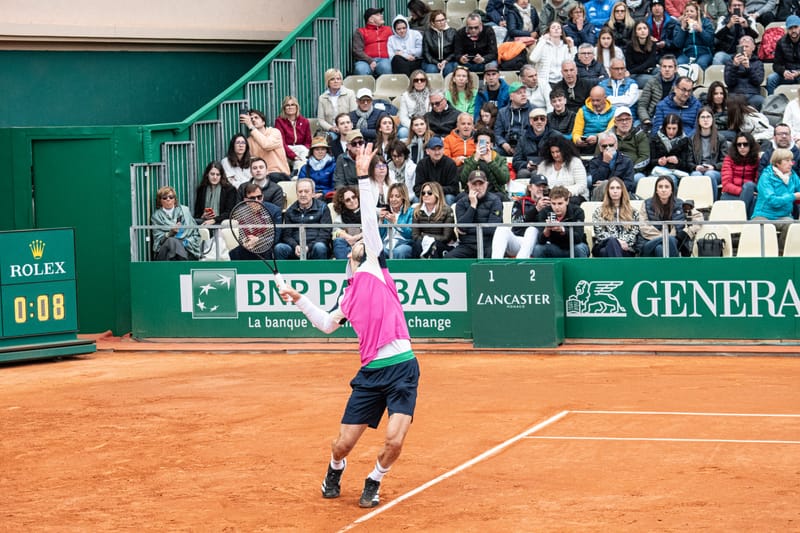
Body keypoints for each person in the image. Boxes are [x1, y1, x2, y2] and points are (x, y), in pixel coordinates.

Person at [279, 141, 420, 510]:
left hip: (403, 367)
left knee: (394, 441)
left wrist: (363, 176)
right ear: (350, 261)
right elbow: (326, 324)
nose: (360, 244)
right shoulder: (347, 298)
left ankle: (374, 480)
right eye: (356, 246)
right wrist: (298, 299)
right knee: (342, 443)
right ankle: (334, 469)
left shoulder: (376, 266)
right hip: (370, 374)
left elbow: (370, 221)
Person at [445, 170, 503, 258]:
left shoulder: (495, 200)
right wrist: (473, 206)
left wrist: (468, 229)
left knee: (492, 255)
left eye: (481, 184)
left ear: (486, 184)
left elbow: (492, 228)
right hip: (467, 244)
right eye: (474, 184)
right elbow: (462, 227)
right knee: (449, 258)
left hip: (488, 243)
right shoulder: (461, 202)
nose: (477, 187)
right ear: (468, 185)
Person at [491, 171, 550, 258]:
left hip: (540, 242)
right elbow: (517, 224)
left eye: (544, 186)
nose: (541, 189)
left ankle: (520, 263)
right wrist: (536, 209)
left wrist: (546, 208)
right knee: (502, 228)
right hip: (520, 241)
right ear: (530, 187)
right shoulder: (520, 202)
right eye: (538, 186)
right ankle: (495, 264)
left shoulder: (551, 204)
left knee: (532, 230)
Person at [752, 148, 800, 252]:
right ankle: (766, 254)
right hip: (763, 215)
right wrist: (793, 196)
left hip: (784, 216)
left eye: (791, 160)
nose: (791, 164)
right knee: (762, 226)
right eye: (787, 161)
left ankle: (783, 254)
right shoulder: (766, 177)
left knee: (792, 225)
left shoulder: (793, 176)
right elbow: (773, 201)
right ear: (777, 163)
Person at [275, 178, 332, 260]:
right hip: (296, 249)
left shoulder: (323, 208)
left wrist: (308, 247)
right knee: (280, 248)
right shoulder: (290, 211)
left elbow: (325, 234)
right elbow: (286, 235)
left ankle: (321, 272)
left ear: (313, 193)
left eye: (306, 191)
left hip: (314, 247)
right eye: (300, 191)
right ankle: (281, 273)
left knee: (320, 247)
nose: (303, 194)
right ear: (296, 194)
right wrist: (296, 246)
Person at [228, 183, 284, 261]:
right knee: (233, 253)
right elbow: (241, 235)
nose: (257, 201)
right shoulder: (240, 212)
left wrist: (258, 240)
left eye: (259, 197)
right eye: (252, 198)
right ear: (246, 200)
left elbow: (276, 237)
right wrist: (245, 241)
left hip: (267, 246)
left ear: (263, 197)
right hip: (249, 246)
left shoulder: (275, 211)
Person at [533, 185, 589, 257]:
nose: (556, 207)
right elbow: (540, 241)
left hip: (574, 246)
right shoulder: (544, 212)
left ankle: (582, 268)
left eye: (560, 203)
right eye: (553, 203)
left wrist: (563, 230)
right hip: (554, 247)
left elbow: (578, 238)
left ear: (567, 201)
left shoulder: (577, 211)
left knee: (579, 248)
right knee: (538, 249)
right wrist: (546, 231)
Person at [637, 175, 686, 257]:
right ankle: (676, 268)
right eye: (660, 187)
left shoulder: (680, 203)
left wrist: (689, 231)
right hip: (648, 242)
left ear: (672, 190)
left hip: (672, 242)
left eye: (667, 187)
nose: (663, 190)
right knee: (668, 240)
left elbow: (698, 218)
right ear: (656, 190)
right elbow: (643, 226)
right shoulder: (646, 203)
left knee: (660, 248)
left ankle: (663, 269)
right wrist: (664, 237)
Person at [591, 176, 640, 257]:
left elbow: (634, 234)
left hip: (626, 248)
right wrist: (617, 241)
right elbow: (599, 234)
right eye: (612, 188)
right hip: (603, 245)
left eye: (618, 188)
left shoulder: (633, 212)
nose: (615, 191)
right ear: (608, 191)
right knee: (611, 242)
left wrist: (621, 243)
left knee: (606, 252)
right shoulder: (599, 211)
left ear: (622, 191)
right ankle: (619, 269)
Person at [151, 186, 201, 261]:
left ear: (175, 199)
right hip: (165, 250)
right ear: (160, 200)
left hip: (187, 248)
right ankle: (182, 265)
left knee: (173, 249)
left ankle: (176, 266)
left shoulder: (185, 211)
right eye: (164, 198)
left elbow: (196, 234)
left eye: (171, 197)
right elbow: (158, 241)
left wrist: (185, 243)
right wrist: (170, 233)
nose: (168, 199)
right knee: (172, 241)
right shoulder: (156, 216)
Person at [689, 107, 727, 200]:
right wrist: (695, 167)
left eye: (708, 117)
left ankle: (711, 204)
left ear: (712, 120)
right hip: (698, 169)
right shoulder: (692, 139)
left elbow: (725, 161)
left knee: (709, 175)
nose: (705, 120)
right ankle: (696, 205)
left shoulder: (720, 139)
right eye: (702, 117)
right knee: (695, 175)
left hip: (715, 171)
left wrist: (713, 167)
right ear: (698, 120)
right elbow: (688, 161)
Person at [607, 105, 650, 186]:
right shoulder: (607, 136)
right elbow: (599, 157)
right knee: (590, 180)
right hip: (611, 172)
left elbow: (645, 157)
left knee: (639, 178)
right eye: (621, 120)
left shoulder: (640, 135)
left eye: (627, 119)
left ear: (632, 120)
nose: (625, 122)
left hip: (634, 172)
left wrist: (630, 171)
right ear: (615, 122)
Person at [412, 181, 457, 258]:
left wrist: (427, 237)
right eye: (423, 193)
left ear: (437, 195)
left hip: (442, 245)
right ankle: (417, 269)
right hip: (422, 243)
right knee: (417, 244)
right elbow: (415, 236)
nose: (426, 195)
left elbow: (446, 237)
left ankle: (433, 269)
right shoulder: (416, 211)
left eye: (429, 193)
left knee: (433, 246)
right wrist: (426, 240)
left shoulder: (447, 211)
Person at [241, 108, 291, 176]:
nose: (253, 120)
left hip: (279, 173)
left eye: (256, 117)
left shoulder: (274, 132)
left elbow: (266, 145)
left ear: (263, 122)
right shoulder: (249, 141)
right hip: (261, 176)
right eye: (251, 119)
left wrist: (251, 126)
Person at [461, 129, 509, 198]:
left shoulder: (500, 159)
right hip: (473, 193)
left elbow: (504, 179)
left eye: (487, 143)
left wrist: (490, 162)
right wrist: (475, 160)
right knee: (460, 197)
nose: (484, 145)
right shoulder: (470, 160)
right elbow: (463, 180)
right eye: (481, 142)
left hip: (494, 193)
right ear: (475, 144)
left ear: (491, 145)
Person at [720, 131, 759, 217]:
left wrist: (748, 191)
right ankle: (745, 221)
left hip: (751, 194)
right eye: (739, 144)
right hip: (730, 195)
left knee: (750, 187)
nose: (742, 147)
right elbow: (726, 185)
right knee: (751, 194)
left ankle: (741, 219)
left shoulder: (757, 160)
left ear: (751, 145)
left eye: (745, 144)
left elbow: (757, 182)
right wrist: (745, 192)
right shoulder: (729, 159)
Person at [540, 134, 589, 199]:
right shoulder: (544, 165)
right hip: (551, 198)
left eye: (557, 152)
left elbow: (582, 186)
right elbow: (540, 184)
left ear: (564, 151)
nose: (555, 155)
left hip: (574, 197)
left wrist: (564, 194)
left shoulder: (575, 162)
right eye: (552, 152)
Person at [413, 136, 460, 204]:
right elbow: (417, 187)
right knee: (416, 199)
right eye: (433, 149)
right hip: (427, 194)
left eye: (439, 149)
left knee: (449, 198)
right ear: (427, 151)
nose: (437, 152)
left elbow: (454, 188)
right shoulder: (422, 164)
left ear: (443, 149)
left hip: (444, 195)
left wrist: (436, 190)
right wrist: (429, 193)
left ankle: (447, 214)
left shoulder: (450, 164)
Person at [650, 113, 694, 186]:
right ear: (664, 128)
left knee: (671, 179)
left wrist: (677, 161)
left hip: (678, 172)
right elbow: (650, 162)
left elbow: (687, 165)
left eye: (674, 128)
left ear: (679, 128)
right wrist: (658, 161)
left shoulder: (685, 140)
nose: (671, 131)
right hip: (658, 171)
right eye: (669, 128)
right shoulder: (655, 139)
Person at [588, 130, 636, 197]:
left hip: (621, 194)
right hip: (602, 194)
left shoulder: (626, 161)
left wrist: (609, 184)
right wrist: (605, 162)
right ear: (600, 148)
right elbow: (596, 182)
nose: (608, 148)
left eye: (611, 145)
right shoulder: (594, 161)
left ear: (616, 145)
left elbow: (629, 184)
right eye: (604, 146)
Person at [638, 56, 679, 133]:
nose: (667, 69)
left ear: (676, 69)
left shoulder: (681, 84)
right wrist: (646, 119)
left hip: (673, 119)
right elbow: (642, 105)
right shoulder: (652, 82)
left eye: (670, 67)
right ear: (660, 68)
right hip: (653, 117)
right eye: (664, 66)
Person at [711, 0, 758, 66]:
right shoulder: (723, 19)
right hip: (727, 53)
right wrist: (728, 25)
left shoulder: (749, 19)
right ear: (729, 9)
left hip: (745, 54)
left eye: (739, 5)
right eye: (734, 5)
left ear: (744, 8)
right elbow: (717, 36)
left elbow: (755, 36)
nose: (737, 7)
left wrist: (746, 27)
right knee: (718, 57)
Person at [723, 36, 764, 110]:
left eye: (747, 46)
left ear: (753, 48)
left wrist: (748, 68)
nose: (744, 49)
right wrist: (734, 66)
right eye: (742, 47)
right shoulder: (730, 62)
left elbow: (758, 81)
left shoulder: (758, 63)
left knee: (760, 101)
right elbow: (729, 82)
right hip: (735, 93)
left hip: (753, 94)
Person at [530, 21, 576, 86]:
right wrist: (543, 40)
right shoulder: (543, 45)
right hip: (545, 82)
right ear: (549, 32)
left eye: (558, 28)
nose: (556, 29)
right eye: (553, 27)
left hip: (562, 82)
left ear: (561, 32)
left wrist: (572, 47)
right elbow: (533, 59)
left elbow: (571, 64)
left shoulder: (564, 47)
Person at [572, 85, 615, 154]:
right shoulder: (582, 111)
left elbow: (609, 131)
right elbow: (576, 131)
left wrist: (597, 137)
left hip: (604, 143)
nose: (595, 103)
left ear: (605, 98)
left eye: (598, 100)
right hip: (585, 144)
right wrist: (577, 140)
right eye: (593, 100)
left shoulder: (613, 111)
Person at [317, 68, 358, 139]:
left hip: (347, 129)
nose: (336, 81)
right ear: (328, 82)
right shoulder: (322, 98)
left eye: (338, 79)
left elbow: (353, 114)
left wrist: (344, 127)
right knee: (331, 138)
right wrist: (331, 128)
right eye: (332, 79)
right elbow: (321, 120)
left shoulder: (350, 93)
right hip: (331, 131)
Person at [275, 96, 312, 173]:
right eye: (287, 105)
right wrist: (293, 156)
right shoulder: (279, 121)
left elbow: (308, 142)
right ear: (284, 108)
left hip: (301, 150)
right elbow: (281, 143)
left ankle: (296, 175)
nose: (290, 107)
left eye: (292, 105)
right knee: (302, 155)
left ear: (297, 107)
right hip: (286, 150)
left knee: (302, 155)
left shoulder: (304, 121)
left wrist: (303, 152)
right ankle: (300, 176)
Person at [672, 1, 714, 70]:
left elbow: (710, 41)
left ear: (697, 13)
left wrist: (701, 31)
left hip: (704, 53)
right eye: (687, 11)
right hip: (687, 54)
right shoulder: (680, 24)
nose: (689, 13)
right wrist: (682, 29)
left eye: (692, 11)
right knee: (679, 62)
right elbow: (678, 44)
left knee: (701, 63)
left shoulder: (706, 22)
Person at [352, 7, 393, 76]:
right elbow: (357, 50)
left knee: (386, 68)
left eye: (381, 14)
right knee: (360, 69)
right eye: (378, 15)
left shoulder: (388, 29)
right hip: (365, 61)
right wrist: (370, 61)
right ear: (371, 19)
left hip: (384, 59)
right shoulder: (360, 31)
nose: (381, 16)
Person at [494, 82, 532, 156]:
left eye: (524, 92)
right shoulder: (502, 112)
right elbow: (497, 133)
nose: (523, 95)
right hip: (506, 146)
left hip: (526, 146)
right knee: (494, 152)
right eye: (519, 93)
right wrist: (504, 144)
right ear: (511, 96)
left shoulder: (533, 110)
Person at [513, 108, 556, 173]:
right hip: (527, 169)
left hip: (548, 168)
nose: (539, 122)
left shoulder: (555, 136)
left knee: (536, 173)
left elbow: (560, 158)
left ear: (546, 121)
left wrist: (544, 165)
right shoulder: (523, 138)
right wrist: (526, 165)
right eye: (536, 119)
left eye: (542, 119)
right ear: (531, 121)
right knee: (523, 173)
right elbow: (516, 160)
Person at [380, 183, 417, 258]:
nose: (393, 199)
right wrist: (380, 221)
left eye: (397, 196)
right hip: (387, 243)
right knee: (379, 251)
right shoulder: (386, 212)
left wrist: (395, 223)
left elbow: (411, 234)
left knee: (399, 251)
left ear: (403, 198)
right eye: (391, 196)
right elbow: (381, 236)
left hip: (404, 243)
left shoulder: (411, 212)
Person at [193, 161, 237, 225]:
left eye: (218, 174)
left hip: (222, 224)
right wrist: (203, 216)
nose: (215, 177)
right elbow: (197, 213)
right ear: (207, 174)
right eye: (212, 174)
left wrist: (214, 220)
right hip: (205, 223)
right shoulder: (202, 189)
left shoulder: (230, 190)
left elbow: (230, 212)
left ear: (221, 176)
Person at [767, 16, 800, 96]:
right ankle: (772, 104)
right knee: (771, 79)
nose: (793, 30)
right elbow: (776, 64)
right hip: (787, 73)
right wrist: (783, 72)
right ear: (787, 30)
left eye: (796, 27)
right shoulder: (781, 42)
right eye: (790, 28)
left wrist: (799, 72)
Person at [421, 9, 457, 76]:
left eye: (443, 20)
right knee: (431, 69)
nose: (441, 22)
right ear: (432, 23)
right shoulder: (427, 33)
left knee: (449, 70)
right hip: (432, 61)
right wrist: (436, 63)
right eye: (438, 21)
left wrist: (446, 61)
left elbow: (456, 51)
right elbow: (426, 53)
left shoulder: (453, 32)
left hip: (449, 60)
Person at [331, 186, 362, 260]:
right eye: (347, 200)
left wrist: (356, 238)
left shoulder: (367, 212)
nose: (352, 200)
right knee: (338, 241)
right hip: (347, 246)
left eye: (354, 197)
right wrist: (350, 238)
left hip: (363, 244)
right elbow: (336, 231)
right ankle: (343, 268)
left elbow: (372, 231)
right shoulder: (341, 217)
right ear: (343, 203)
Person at [625, 21, 659, 90]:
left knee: (663, 72)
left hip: (649, 71)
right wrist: (645, 70)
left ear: (648, 31)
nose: (642, 31)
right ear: (636, 32)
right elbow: (630, 67)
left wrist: (645, 69)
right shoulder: (630, 46)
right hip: (635, 74)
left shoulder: (653, 44)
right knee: (654, 80)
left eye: (645, 28)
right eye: (639, 29)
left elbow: (651, 62)